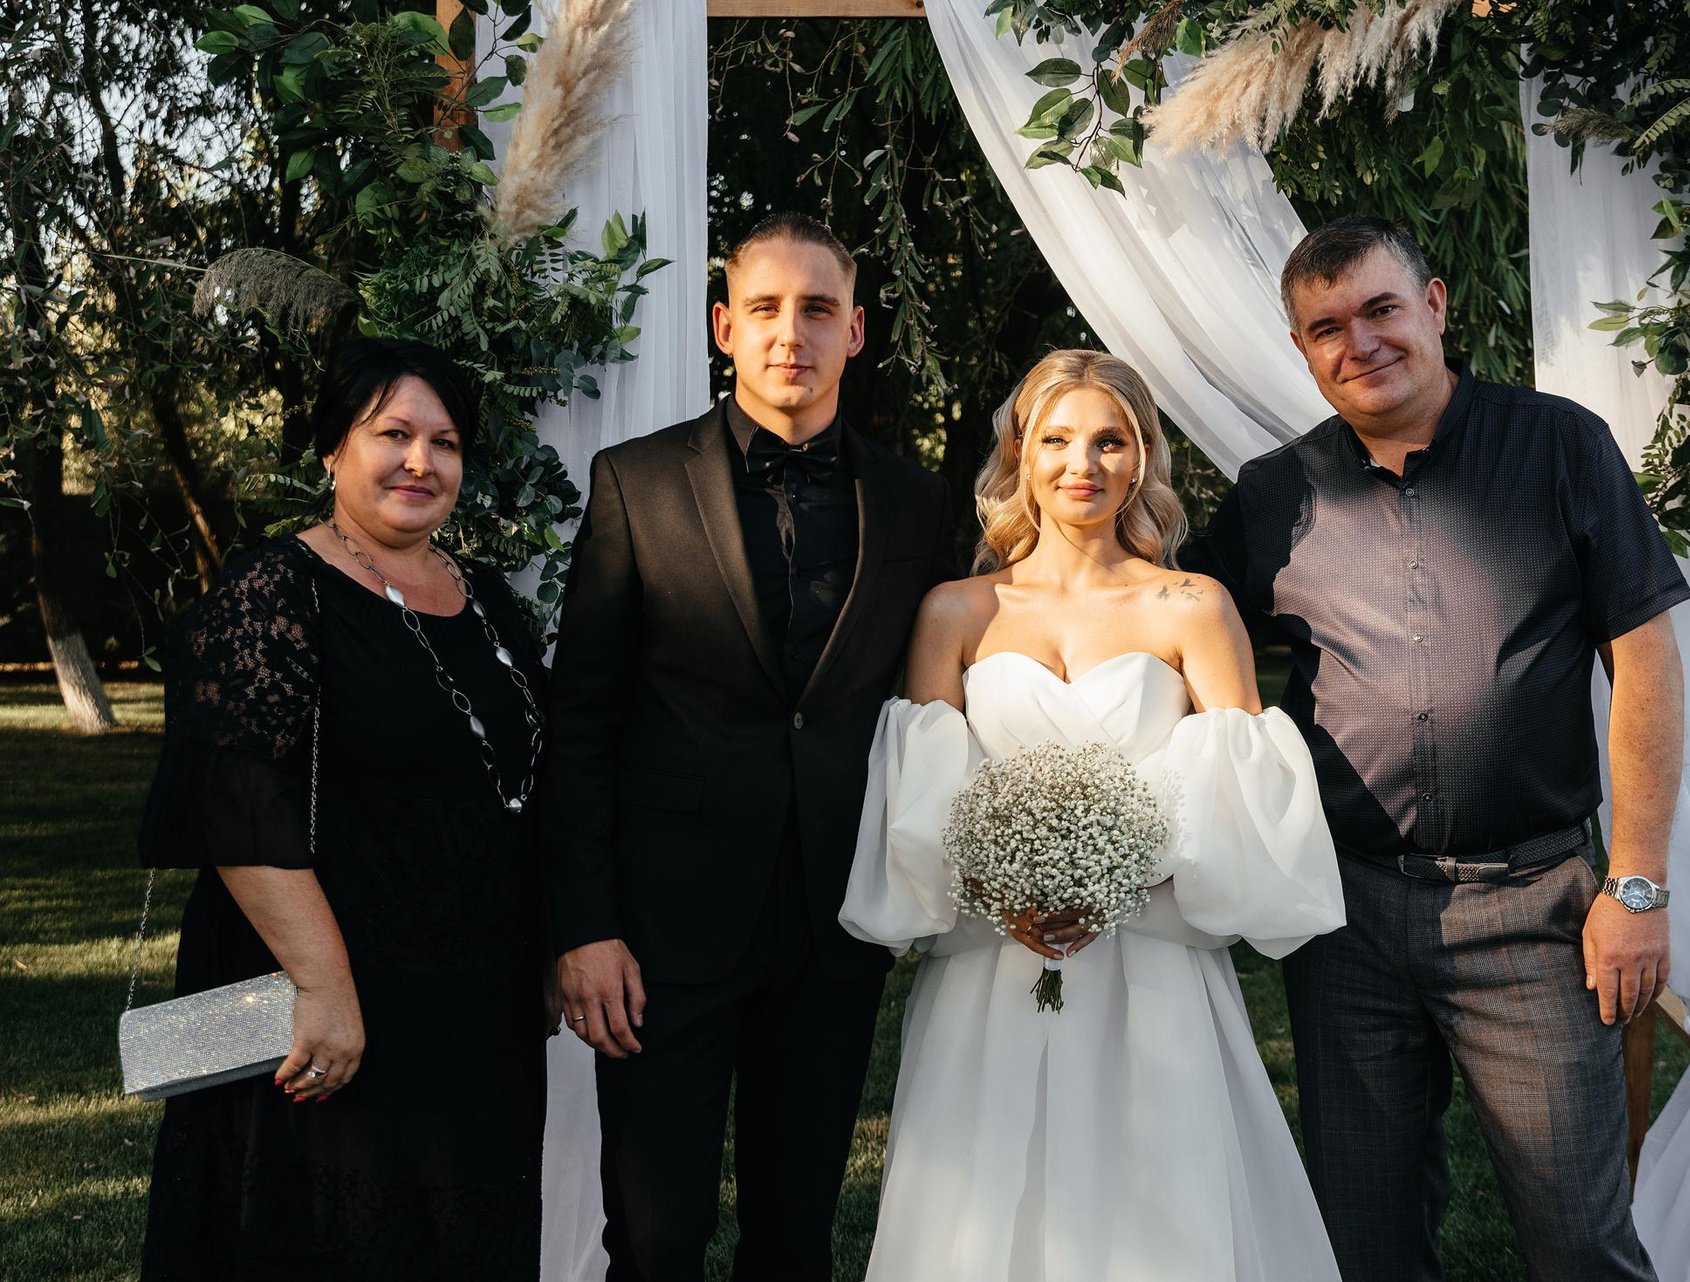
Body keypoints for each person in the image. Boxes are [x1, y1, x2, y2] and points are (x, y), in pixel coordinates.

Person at [1185, 216, 1689, 1281]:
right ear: (1302, 349)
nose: (1359, 344)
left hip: (1533, 910)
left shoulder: (1561, 446)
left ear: (1436, 304)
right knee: (1363, 1237)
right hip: (1345, 915)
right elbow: (1169, 624)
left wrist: (1638, 882)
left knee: (1579, 1239)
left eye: (1380, 309)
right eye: (1327, 328)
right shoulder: (1275, 494)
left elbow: (1646, 659)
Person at [839, 349, 1346, 1282]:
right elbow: (923, 803)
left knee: (1161, 1216)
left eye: (1110, 441)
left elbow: (1243, 799)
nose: (1084, 463)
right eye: (1057, 440)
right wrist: (1003, 891)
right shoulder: (955, 611)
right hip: (994, 963)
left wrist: (1115, 875)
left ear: (1143, 457)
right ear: (1020, 455)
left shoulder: (1193, 606)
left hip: (1152, 966)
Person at [540, 212, 953, 1280]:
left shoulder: (916, 505)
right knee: (655, 1236)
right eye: (765, 307)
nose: (790, 333)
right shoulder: (636, 483)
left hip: (834, 925)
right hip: (661, 932)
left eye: (818, 309)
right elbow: (580, 719)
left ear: (854, 330)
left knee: (794, 1237)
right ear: (725, 326)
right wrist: (585, 925)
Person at [137, 338, 552, 1279]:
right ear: (332, 449)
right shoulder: (274, 591)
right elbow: (238, 805)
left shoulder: (486, 597)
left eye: (445, 443)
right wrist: (324, 989)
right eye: (392, 434)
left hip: (469, 1015)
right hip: (326, 1009)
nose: (421, 462)